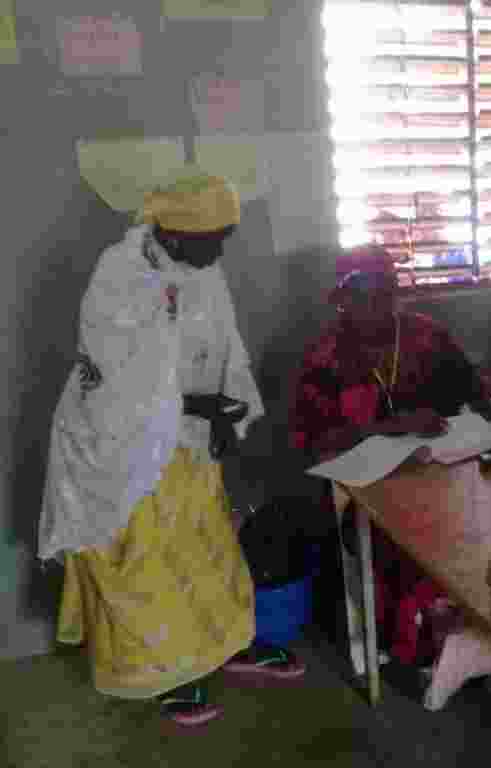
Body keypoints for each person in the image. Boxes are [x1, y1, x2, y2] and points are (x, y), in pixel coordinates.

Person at [39, 170, 304, 728]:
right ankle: (161, 675)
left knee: (210, 547)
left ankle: (228, 645)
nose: (221, 249)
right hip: (121, 446)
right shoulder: (121, 276)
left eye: (225, 237)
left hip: (185, 441)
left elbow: (224, 342)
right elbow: (117, 376)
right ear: (173, 232)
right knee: (145, 562)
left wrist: (228, 409)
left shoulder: (201, 267)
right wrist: (200, 407)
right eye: (212, 239)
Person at [290, 244, 491, 708]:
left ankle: (473, 639)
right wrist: (381, 426)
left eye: (386, 294)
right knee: (399, 546)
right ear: (343, 301)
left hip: (440, 469)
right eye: (365, 297)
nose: (378, 306)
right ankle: (421, 650)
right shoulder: (325, 358)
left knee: (489, 520)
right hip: (366, 485)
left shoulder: (425, 336)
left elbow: (473, 389)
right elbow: (309, 444)